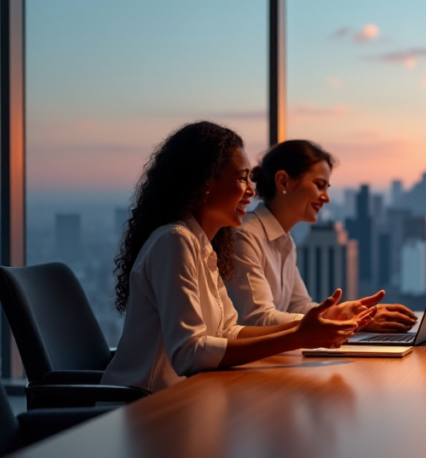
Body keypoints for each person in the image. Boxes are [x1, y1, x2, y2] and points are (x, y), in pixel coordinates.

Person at [103, 122, 375, 393]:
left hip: (181, 399)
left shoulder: (203, 247)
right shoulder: (174, 241)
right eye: (242, 178)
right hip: (142, 408)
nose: (251, 190)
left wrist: (313, 326)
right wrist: (298, 336)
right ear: (207, 181)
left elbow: (229, 331)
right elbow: (189, 353)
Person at [227, 140, 418, 332]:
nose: (326, 197)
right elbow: (257, 319)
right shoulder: (245, 237)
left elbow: (298, 306)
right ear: (283, 181)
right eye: (319, 185)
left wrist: (347, 314)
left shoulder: (284, 241)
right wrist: (345, 323)